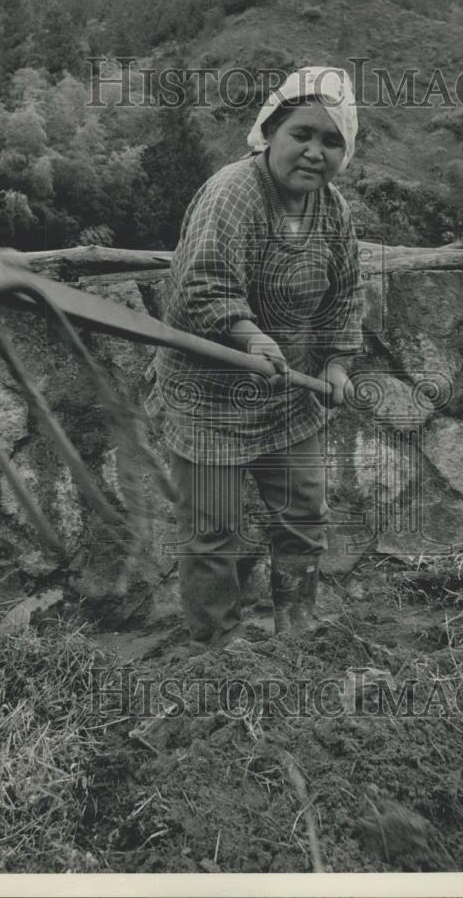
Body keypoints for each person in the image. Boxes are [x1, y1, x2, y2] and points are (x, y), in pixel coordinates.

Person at [145, 66, 363, 647]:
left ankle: (296, 627)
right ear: (270, 131)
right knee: (215, 530)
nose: (315, 152)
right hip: (209, 394)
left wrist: (338, 361)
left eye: (332, 141)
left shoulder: (334, 209)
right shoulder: (233, 193)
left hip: (288, 394)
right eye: (303, 134)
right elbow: (200, 284)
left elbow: (347, 291)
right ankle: (218, 644)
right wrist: (247, 333)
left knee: (302, 515)